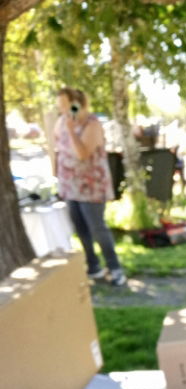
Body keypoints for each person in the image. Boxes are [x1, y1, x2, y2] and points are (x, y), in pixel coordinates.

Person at [54, 87, 126, 286]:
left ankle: (115, 268)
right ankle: (93, 266)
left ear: (76, 104)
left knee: (97, 228)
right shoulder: (60, 122)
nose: (62, 110)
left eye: (65, 106)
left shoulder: (92, 124)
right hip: (70, 185)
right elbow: (57, 148)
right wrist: (56, 173)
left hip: (91, 186)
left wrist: (71, 129)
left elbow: (83, 154)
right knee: (80, 228)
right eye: (59, 106)